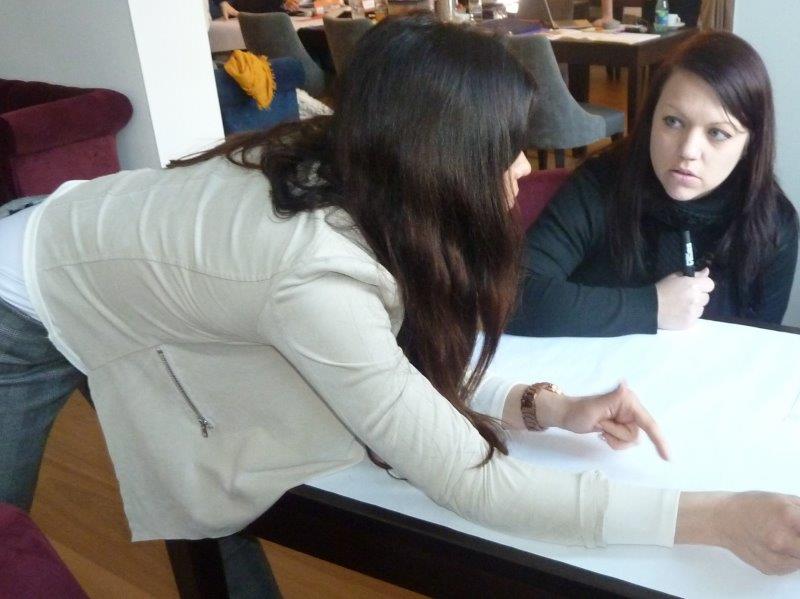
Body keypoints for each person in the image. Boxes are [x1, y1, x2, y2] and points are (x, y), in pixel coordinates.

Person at [0, 17, 798, 597]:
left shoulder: (362, 170)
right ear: (439, 158)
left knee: (207, 470)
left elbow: (390, 368)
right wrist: (713, 518)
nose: (525, 167)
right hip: (20, 305)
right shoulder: (311, 275)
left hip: (110, 258)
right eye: (505, 148)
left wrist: (542, 404)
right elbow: (472, 482)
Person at [507, 31, 799, 337]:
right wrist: (651, 306)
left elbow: (764, 343)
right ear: (651, 119)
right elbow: (514, 294)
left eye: (718, 133)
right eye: (673, 121)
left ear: (750, 144)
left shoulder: (773, 225)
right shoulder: (602, 183)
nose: (688, 150)